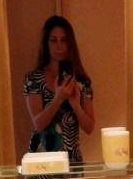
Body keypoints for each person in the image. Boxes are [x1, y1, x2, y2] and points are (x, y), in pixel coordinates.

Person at [23, 15, 95, 164]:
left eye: (64, 40)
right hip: (42, 162)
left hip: (71, 161)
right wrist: (58, 99)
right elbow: (38, 124)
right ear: (46, 43)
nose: (59, 46)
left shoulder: (81, 81)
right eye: (53, 40)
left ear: (70, 43)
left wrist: (76, 105)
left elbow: (89, 128)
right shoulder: (34, 79)